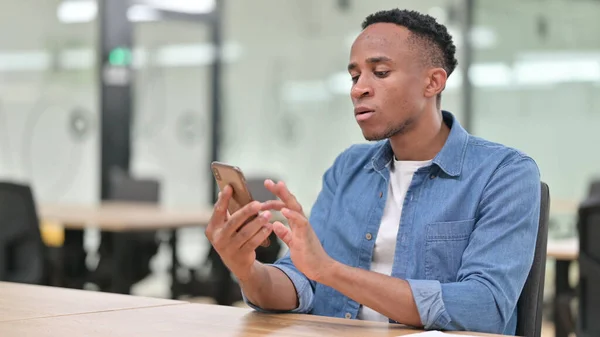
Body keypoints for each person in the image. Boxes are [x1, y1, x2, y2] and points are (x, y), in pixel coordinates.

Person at [205, 8, 541, 336]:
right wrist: (247, 269)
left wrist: (331, 271)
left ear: (432, 82)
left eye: (380, 73)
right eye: (354, 76)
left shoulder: (504, 173)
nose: (358, 89)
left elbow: (485, 307)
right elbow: (301, 281)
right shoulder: (348, 168)